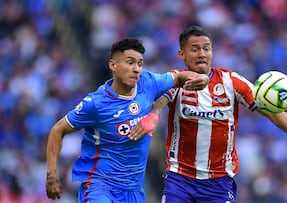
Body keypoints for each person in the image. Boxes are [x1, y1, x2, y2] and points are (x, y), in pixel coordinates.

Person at [128, 26, 287, 203]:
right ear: (182, 54)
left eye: (206, 48)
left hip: (219, 182)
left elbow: (271, 111)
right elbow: (160, 101)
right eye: (195, 49)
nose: (202, 54)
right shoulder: (176, 80)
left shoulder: (231, 82)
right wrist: (153, 116)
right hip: (180, 179)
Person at [45, 38, 209, 203]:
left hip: (133, 191)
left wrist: (202, 79)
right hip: (100, 187)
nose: (136, 69)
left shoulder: (148, 82)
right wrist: (51, 175)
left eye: (139, 63)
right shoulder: (95, 104)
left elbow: (179, 77)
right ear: (113, 65)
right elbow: (58, 130)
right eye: (130, 63)